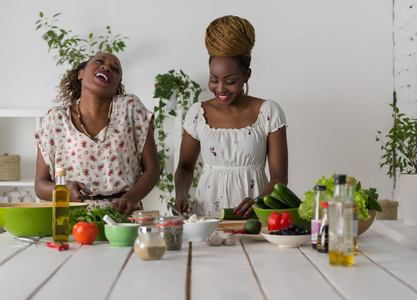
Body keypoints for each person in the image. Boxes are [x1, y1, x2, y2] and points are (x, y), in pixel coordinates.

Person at [174, 15, 288, 218]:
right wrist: (181, 194)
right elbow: (184, 166)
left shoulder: (268, 112)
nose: (220, 88)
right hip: (205, 215)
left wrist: (260, 202)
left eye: (230, 81)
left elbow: (280, 176)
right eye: (213, 79)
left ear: (247, 75)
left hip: (253, 216)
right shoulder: (197, 114)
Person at [35, 52, 160, 215]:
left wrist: (131, 198)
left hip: (123, 216)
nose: (106, 67)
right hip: (74, 219)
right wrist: (63, 189)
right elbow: (39, 185)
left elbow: (153, 170)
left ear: (117, 86)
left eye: (115, 69)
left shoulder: (130, 108)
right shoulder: (56, 119)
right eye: (100, 62)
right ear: (81, 74)